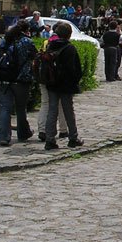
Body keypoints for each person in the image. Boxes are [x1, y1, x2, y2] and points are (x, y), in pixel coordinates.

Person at [0, 19, 37, 146]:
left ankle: (3, 137)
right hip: (21, 79)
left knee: (5, 108)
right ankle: (23, 133)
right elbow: (34, 56)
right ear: (26, 30)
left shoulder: (5, 41)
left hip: (4, 78)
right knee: (20, 108)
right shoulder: (27, 42)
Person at [44, 22, 84, 150]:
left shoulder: (50, 46)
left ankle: (50, 139)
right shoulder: (69, 48)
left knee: (52, 110)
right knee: (68, 111)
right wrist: (75, 81)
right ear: (69, 34)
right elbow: (75, 69)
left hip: (52, 83)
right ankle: (73, 137)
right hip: (66, 84)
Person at [37, 25, 69, 143]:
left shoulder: (46, 42)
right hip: (57, 79)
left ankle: (42, 130)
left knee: (45, 103)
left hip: (44, 77)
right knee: (61, 105)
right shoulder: (65, 44)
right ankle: (63, 129)